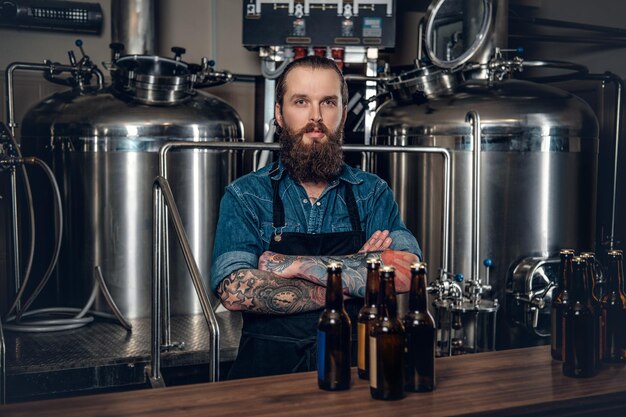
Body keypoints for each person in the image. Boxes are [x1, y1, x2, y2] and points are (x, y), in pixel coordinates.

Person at [210, 55, 421, 379]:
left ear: (343, 113)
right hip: (267, 377)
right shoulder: (245, 196)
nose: (316, 117)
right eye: (300, 102)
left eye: (328, 102)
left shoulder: (372, 192)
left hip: (358, 370)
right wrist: (359, 271)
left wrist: (293, 267)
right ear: (279, 114)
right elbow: (237, 291)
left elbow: (407, 271)